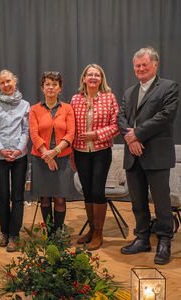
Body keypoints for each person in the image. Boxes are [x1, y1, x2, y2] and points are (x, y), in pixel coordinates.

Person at [117, 46, 179, 265]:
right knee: (137, 201)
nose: (140, 68)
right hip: (133, 155)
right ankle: (142, 238)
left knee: (161, 201)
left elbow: (165, 116)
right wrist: (131, 138)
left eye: (144, 64)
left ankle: (164, 241)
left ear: (155, 64)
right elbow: (121, 118)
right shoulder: (129, 92)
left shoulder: (169, 87)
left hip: (156, 155)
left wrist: (137, 135)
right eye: (137, 66)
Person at [71, 64, 119, 250]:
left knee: (98, 191)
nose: (92, 77)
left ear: (101, 79)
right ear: (83, 78)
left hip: (101, 151)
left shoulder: (109, 98)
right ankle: (91, 230)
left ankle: (99, 233)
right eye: (89, 74)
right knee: (87, 191)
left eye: (96, 75)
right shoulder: (75, 99)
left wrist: (96, 134)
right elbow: (71, 127)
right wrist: (71, 154)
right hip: (80, 152)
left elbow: (116, 125)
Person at [0, 69, 29, 252]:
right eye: (2, 82)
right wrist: (2, 150)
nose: (6, 85)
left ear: (15, 81)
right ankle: (4, 232)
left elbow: (26, 130)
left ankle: (14, 235)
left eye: (8, 81)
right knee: (3, 196)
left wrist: (18, 150)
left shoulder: (25, 105)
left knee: (17, 197)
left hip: (20, 156)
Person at [29, 72, 75, 233]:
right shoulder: (34, 109)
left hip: (61, 158)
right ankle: (49, 233)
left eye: (55, 84)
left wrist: (54, 152)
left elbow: (70, 134)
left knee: (60, 199)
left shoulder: (68, 108)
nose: (51, 87)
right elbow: (34, 134)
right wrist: (46, 156)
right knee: (45, 199)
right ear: (42, 87)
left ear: (60, 88)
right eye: (47, 84)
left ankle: (57, 232)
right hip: (40, 159)